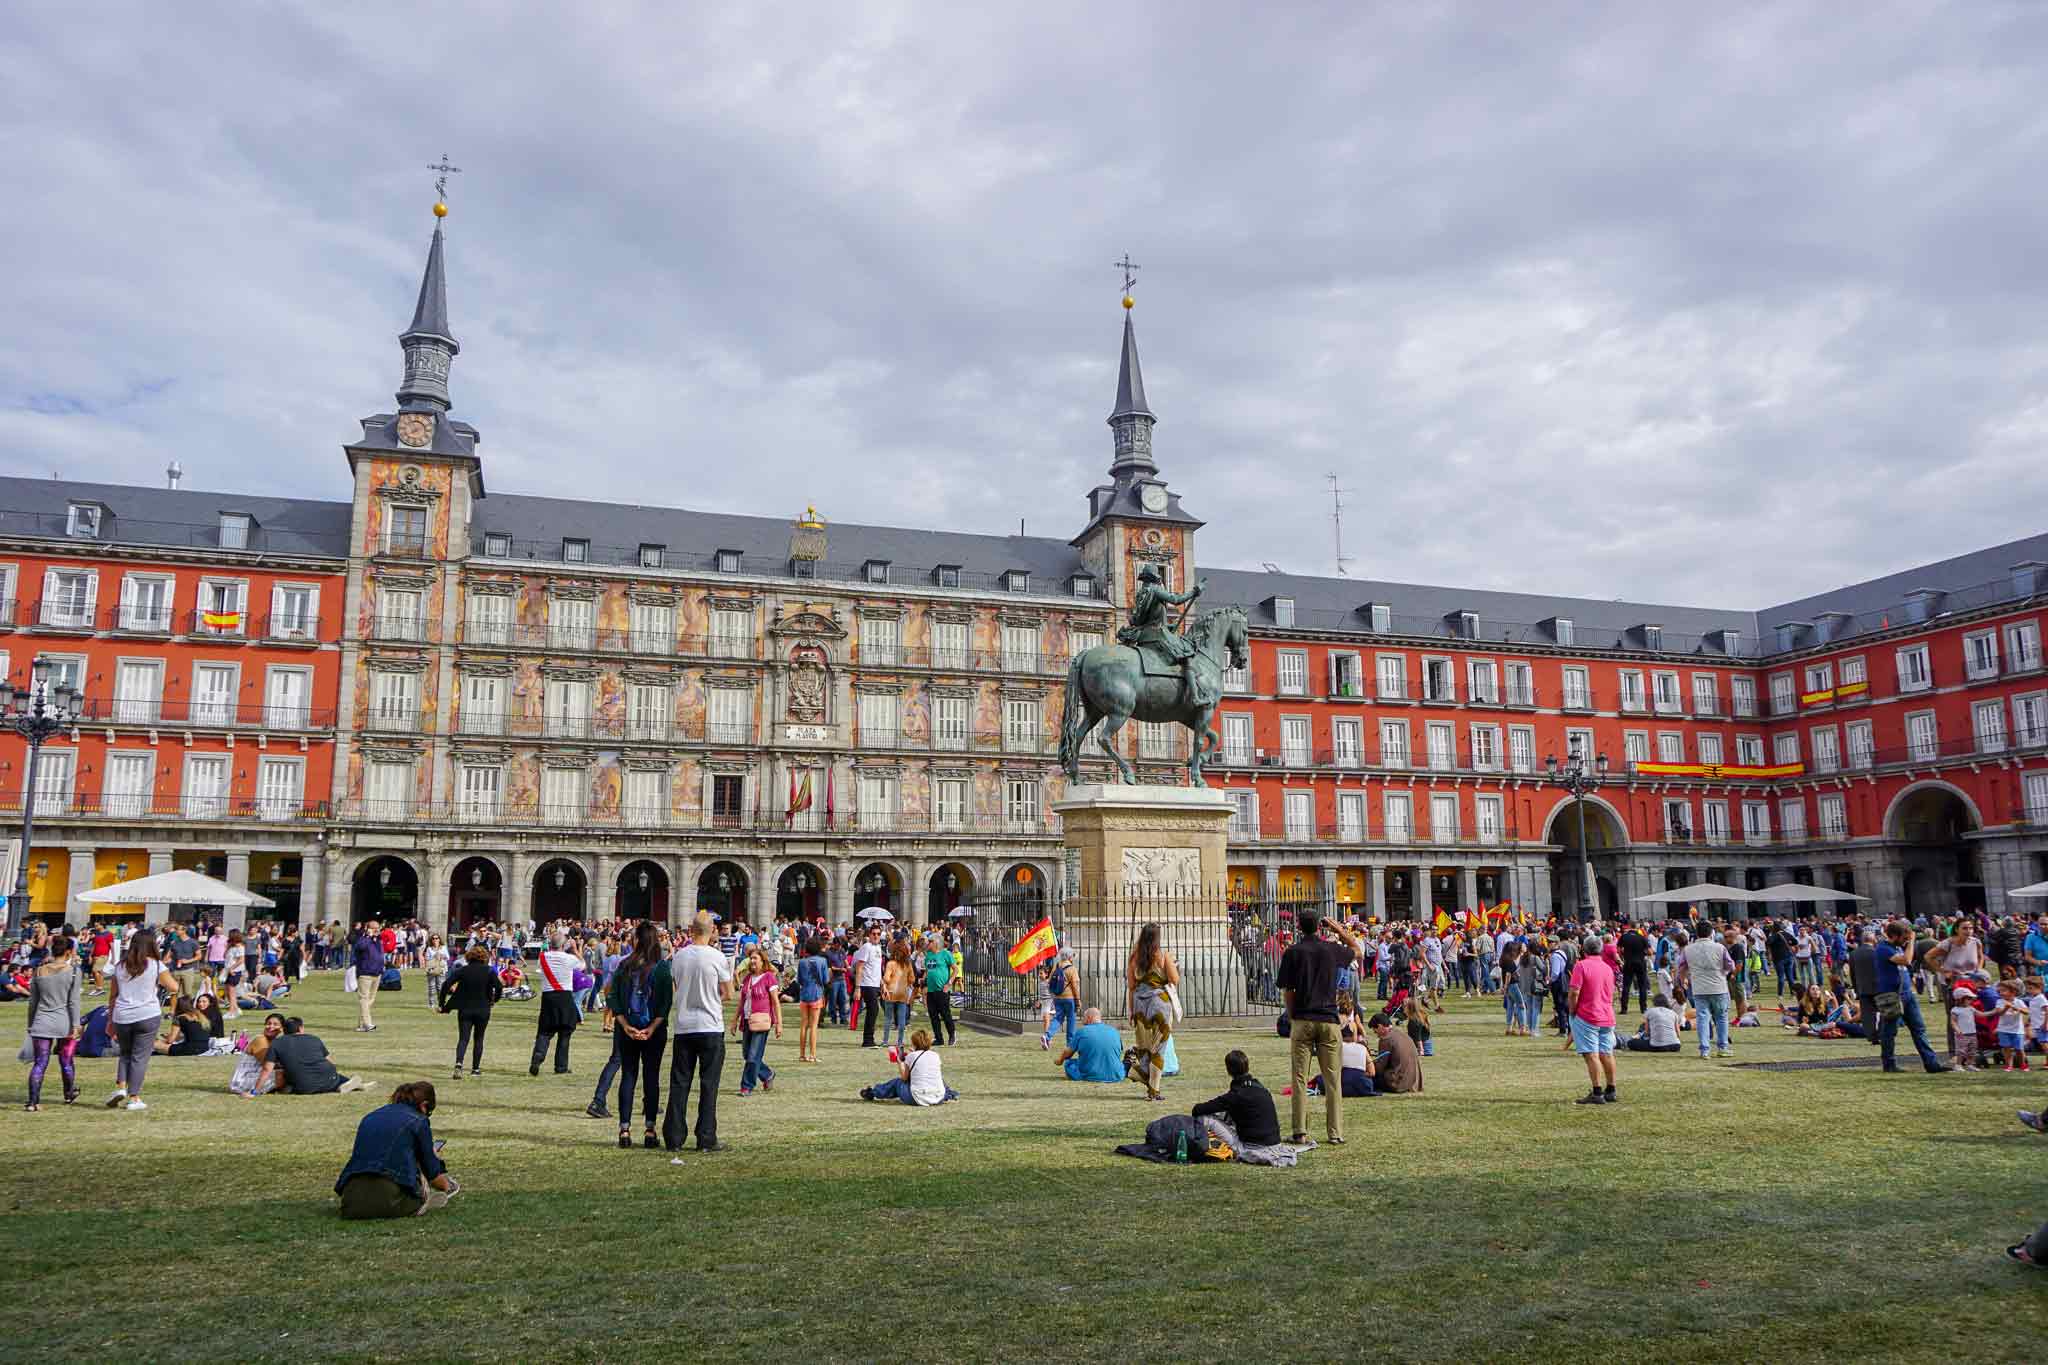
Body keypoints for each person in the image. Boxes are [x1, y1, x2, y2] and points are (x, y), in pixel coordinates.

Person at [1275, 906, 1360, 1140]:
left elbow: (1288, 990)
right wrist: (1339, 929)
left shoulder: (1293, 952)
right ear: (1320, 926)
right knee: (1333, 1079)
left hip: (1303, 1018)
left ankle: (1300, 1131)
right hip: (1329, 1019)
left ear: (1299, 927)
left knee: (1299, 1078)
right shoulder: (1331, 950)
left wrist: (1292, 1017)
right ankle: (1335, 1132)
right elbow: (1357, 950)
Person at [664, 913, 734, 1153]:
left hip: (684, 1025)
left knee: (679, 1082)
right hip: (710, 1025)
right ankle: (706, 1137)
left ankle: (674, 1137)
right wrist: (713, 997)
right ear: (712, 930)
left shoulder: (679, 957)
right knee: (709, 1084)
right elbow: (728, 992)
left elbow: (677, 984)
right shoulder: (717, 957)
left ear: (691, 930)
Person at [335, 1081, 456, 1219]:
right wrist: (448, 1186)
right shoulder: (419, 1121)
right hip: (390, 1199)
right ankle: (420, 1202)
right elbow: (433, 1175)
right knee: (418, 1183)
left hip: (351, 1201)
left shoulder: (369, 1117)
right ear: (424, 1106)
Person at [604, 921, 672, 1149]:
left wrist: (624, 1025)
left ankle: (624, 1129)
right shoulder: (662, 967)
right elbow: (665, 1004)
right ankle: (650, 1129)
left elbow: (612, 998)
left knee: (628, 1077)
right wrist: (652, 1028)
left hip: (627, 1029)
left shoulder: (624, 966)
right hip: (654, 1030)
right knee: (651, 1078)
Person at [105, 929, 178, 1112]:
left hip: (122, 1014)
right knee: (140, 1057)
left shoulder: (121, 966)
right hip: (147, 1014)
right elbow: (174, 987)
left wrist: (110, 1020)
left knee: (125, 1054)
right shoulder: (155, 965)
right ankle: (134, 1097)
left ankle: (121, 1086)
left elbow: (113, 995)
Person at [1125, 922, 1181, 1102]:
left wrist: (1131, 1011)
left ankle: (1140, 1072)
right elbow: (1174, 979)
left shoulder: (1134, 958)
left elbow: (1131, 987)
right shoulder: (1163, 955)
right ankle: (1153, 1090)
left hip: (1140, 1006)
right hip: (1160, 1005)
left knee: (1144, 1047)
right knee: (1159, 1048)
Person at [25, 934, 82, 1110]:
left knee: (40, 1062)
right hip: (64, 1021)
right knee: (66, 1060)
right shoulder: (74, 971)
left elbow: (33, 1002)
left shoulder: (39, 970)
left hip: (41, 1021)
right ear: (68, 952)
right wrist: (76, 1024)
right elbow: (73, 1001)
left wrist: (31, 1023)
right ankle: (69, 1092)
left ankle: (33, 1102)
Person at [438, 944, 503, 1079]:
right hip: (483, 1008)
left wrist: (442, 1003)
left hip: (465, 1008)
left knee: (463, 1038)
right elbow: (499, 987)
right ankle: (475, 1069)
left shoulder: (463, 970)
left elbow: (446, 985)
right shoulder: (489, 971)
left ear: (469, 957)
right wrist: (494, 1000)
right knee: (479, 1038)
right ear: (484, 957)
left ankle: (459, 1064)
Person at [1191, 1048, 1282, 1145]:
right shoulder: (1261, 1088)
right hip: (1275, 1143)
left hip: (1252, 1148)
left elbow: (1197, 1110)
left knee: (1206, 1118)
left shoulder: (1236, 1095)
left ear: (1228, 1070)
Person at [1568, 932, 1619, 1105]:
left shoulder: (1581, 966)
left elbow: (1574, 991)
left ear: (1583, 949)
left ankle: (1597, 1091)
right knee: (1607, 1053)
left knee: (1591, 1054)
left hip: (1588, 1014)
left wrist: (1573, 1010)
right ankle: (1611, 1089)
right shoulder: (1607, 968)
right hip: (1606, 1014)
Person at [260, 1017, 367, 1095]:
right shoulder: (314, 1038)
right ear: (301, 1028)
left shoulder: (277, 1043)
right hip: (328, 1080)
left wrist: (255, 1091)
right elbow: (329, 1061)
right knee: (333, 1076)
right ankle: (351, 1083)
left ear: (283, 1030)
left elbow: (266, 1069)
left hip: (302, 1086)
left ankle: (353, 1084)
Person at [529, 932, 583, 1077]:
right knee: (565, 1032)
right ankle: (561, 1066)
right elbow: (583, 966)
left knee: (545, 1031)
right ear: (563, 945)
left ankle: (537, 1058)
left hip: (548, 996)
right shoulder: (569, 958)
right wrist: (576, 949)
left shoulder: (542, 958)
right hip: (565, 996)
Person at [1678, 928, 1737, 1060]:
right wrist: (1724, 972)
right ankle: (1723, 1047)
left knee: (1702, 1019)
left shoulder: (1688, 949)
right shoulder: (1720, 947)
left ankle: (1704, 1050)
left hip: (1699, 989)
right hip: (1718, 987)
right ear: (1711, 933)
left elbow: (1681, 968)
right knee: (1721, 1017)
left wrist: (1683, 981)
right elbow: (1730, 966)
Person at [860, 1027, 955, 1104]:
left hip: (917, 1097)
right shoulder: (935, 1055)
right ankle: (950, 1094)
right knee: (938, 1078)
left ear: (914, 1043)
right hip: (939, 1097)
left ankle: (873, 1092)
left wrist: (900, 1062)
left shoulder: (912, 1056)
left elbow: (905, 1078)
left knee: (897, 1082)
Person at [733, 945, 781, 1096]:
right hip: (747, 1021)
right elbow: (741, 1001)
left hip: (762, 1021)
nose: (752, 961)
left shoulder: (769, 977)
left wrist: (779, 1024)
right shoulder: (747, 978)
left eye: (755, 958)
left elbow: (775, 1001)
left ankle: (746, 1086)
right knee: (747, 1055)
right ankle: (767, 1075)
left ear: (762, 961)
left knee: (753, 1055)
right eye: (750, 958)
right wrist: (734, 1020)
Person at [1058, 1006, 1126, 1083]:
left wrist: (1060, 1061)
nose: (1082, 1021)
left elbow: (1067, 1053)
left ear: (1089, 1018)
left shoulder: (1082, 1031)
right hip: (1116, 1075)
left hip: (1090, 1075)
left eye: (1084, 1018)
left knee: (1069, 1063)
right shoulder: (1114, 1031)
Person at [1367, 1012, 1423, 1093]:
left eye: (1376, 1032)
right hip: (1414, 1081)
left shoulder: (1385, 1039)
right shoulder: (1403, 1035)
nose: (1377, 1035)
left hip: (1398, 1082)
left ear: (1379, 1026)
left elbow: (1379, 1068)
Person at [794, 935, 829, 1064]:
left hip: (804, 995)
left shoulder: (802, 962)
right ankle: (812, 1055)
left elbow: (799, 980)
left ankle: (802, 1055)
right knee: (813, 1026)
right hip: (816, 994)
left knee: (804, 1025)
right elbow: (825, 980)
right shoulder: (822, 961)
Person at [922, 934, 958, 1047]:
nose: (928, 943)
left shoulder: (945, 954)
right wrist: (924, 980)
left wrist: (949, 983)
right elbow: (928, 971)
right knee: (933, 1015)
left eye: (930, 941)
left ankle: (952, 1035)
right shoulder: (928, 956)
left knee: (945, 1014)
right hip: (931, 990)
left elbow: (955, 969)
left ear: (936, 942)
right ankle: (938, 1038)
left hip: (942, 990)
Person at [879, 940, 914, 1053]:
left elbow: (886, 978)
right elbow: (912, 979)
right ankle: (900, 1041)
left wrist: (887, 983)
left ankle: (885, 1040)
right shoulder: (907, 964)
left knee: (888, 1018)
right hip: (902, 993)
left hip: (891, 993)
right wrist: (906, 984)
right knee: (901, 1019)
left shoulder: (890, 964)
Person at [1041, 953, 1080, 1051]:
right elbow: (1074, 986)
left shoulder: (1056, 966)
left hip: (1058, 997)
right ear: (1070, 957)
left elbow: (1049, 982)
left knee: (1058, 1018)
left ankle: (1047, 1036)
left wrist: (1054, 996)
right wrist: (1077, 1000)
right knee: (1071, 1020)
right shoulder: (1072, 969)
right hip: (1069, 998)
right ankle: (1070, 1044)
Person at [853, 927, 884, 1047]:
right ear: (869, 935)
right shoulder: (866, 947)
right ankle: (868, 1039)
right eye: (874, 934)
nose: (876, 936)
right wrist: (857, 987)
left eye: (878, 934)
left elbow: (877, 968)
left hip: (875, 984)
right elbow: (859, 967)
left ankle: (869, 1038)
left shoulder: (878, 948)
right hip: (866, 984)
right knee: (873, 1010)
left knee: (874, 1011)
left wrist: (882, 983)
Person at [352, 921, 385, 1032]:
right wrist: (368, 935)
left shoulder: (378, 940)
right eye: (373, 928)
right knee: (364, 999)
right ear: (367, 928)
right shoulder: (363, 939)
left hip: (377, 973)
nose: (376, 930)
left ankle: (361, 1024)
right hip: (365, 973)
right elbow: (360, 947)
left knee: (370, 999)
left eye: (377, 927)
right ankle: (367, 1024)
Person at [1617, 922, 1650, 1014]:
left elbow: (1618, 949)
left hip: (1629, 962)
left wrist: (1624, 954)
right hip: (1640, 962)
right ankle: (1643, 1008)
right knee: (1642, 986)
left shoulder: (1624, 937)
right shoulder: (1642, 937)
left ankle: (1624, 1008)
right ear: (1637, 927)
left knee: (1626, 985)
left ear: (1630, 927)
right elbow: (1649, 951)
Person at [423, 934, 449, 1007]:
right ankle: (431, 1003)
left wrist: (441, 955)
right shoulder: (429, 949)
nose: (435, 940)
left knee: (440, 987)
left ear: (439, 939)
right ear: (431, 940)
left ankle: (441, 1003)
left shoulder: (443, 947)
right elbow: (427, 958)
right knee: (431, 987)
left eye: (437, 938)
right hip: (432, 969)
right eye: (433, 939)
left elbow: (448, 957)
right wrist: (434, 956)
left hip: (441, 969)